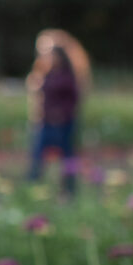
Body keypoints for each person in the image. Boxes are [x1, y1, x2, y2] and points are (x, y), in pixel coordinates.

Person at [26, 29, 89, 195]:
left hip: (63, 123)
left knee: (67, 159)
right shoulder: (45, 73)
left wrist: (60, 113)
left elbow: (75, 100)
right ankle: (33, 190)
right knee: (37, 158)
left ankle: (69, 191)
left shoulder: (68, 76)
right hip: (44, 122)